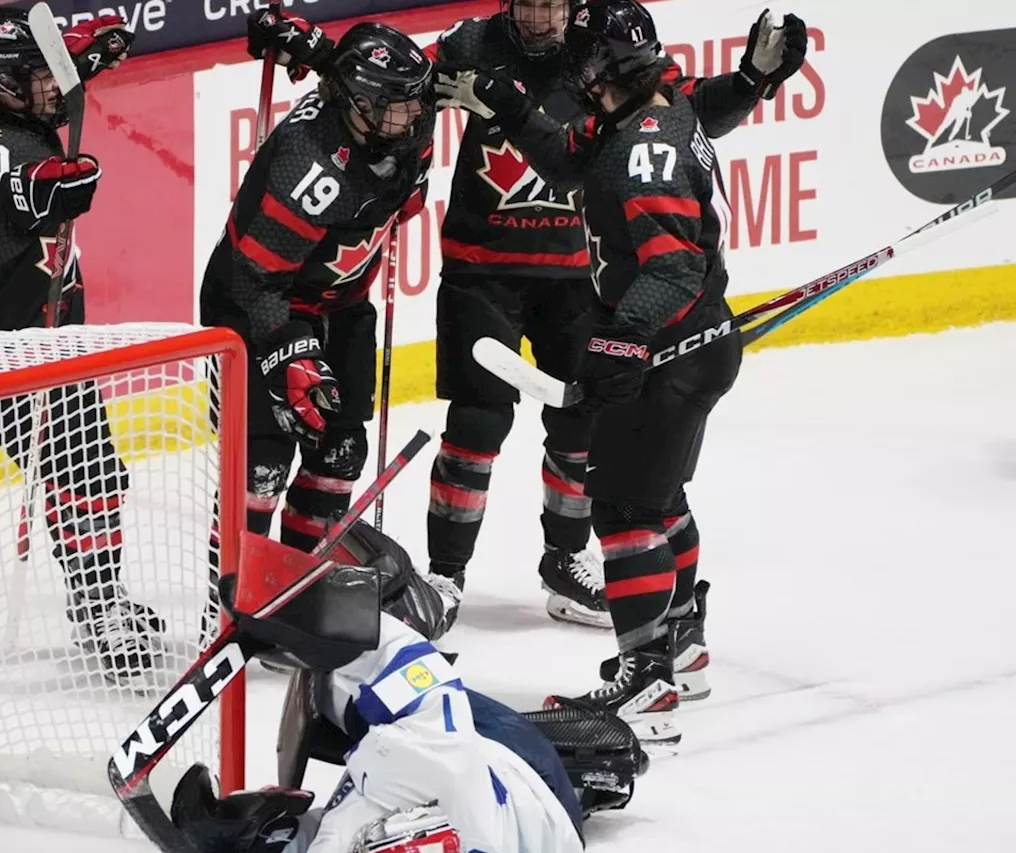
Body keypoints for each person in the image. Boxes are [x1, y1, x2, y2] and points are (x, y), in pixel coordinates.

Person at [247, 2, 782, 633]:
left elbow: (689, 105)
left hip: (578, 274)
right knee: (476, 422)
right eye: (527, 4)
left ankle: (566, 559)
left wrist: (750, 82)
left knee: (583, 423)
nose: (539, 19)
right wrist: (318, 53)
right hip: (484, 270)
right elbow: (391, 80)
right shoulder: (474, 44)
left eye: (552, 5)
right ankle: (445, 574)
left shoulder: (598, 49)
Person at [434, 1, 808, 742]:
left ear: (598, 65)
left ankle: (647, 680)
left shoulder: (644, 144)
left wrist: (623, 339)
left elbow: (671, 267)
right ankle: (684, 645)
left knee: (625, 509)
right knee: (661, 496)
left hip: (671, 349)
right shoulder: (648, 109)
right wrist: (509, 102)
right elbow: (573, 161)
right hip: (695, 344)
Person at [167, 520, 646, 853]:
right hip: (531, 804)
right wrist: (331, 616)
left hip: (519, 794)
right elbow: (427, 708)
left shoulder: (362, 804)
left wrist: (329, 618)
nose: (274, 794)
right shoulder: (406, 770)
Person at [0, 7, 157, 685]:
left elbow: (50, 111)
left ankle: (98, 599)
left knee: (92, 471)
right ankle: (97, 611)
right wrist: (26, 204)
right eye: (39, 76)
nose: (53, 90)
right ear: (4, 85)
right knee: (85, 471)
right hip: (2, 353)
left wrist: (85, 56)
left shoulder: (16, 118)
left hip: (47, 336)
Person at [202, 21, 434, 553]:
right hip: (256, 304)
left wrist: (323, 49)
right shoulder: (310, 169)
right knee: (262, 462)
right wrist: (289, 353)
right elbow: (256, 279)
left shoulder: (399, 119)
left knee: (341, 451)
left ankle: (302, 583)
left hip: (343, 303)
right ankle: (236, 602)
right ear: (359, 105)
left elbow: (438, 67)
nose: (415, 114)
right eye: (398, 106)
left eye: (414, 102)